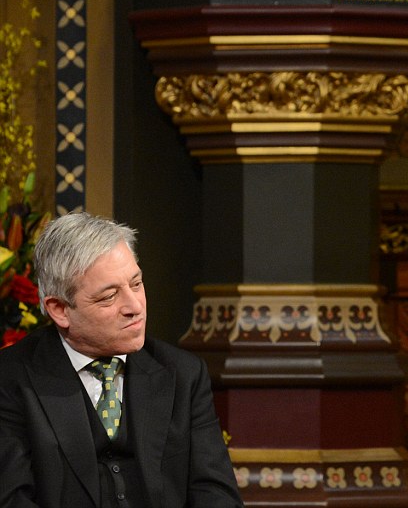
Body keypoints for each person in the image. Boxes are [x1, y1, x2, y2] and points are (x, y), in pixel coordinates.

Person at [0, 212, 243, 507]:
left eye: (136, 284)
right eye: (109, 296)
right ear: (59, 309)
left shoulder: (183, 374)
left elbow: (216, 496)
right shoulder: (11, 380)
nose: (134, 306)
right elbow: (12, 499)